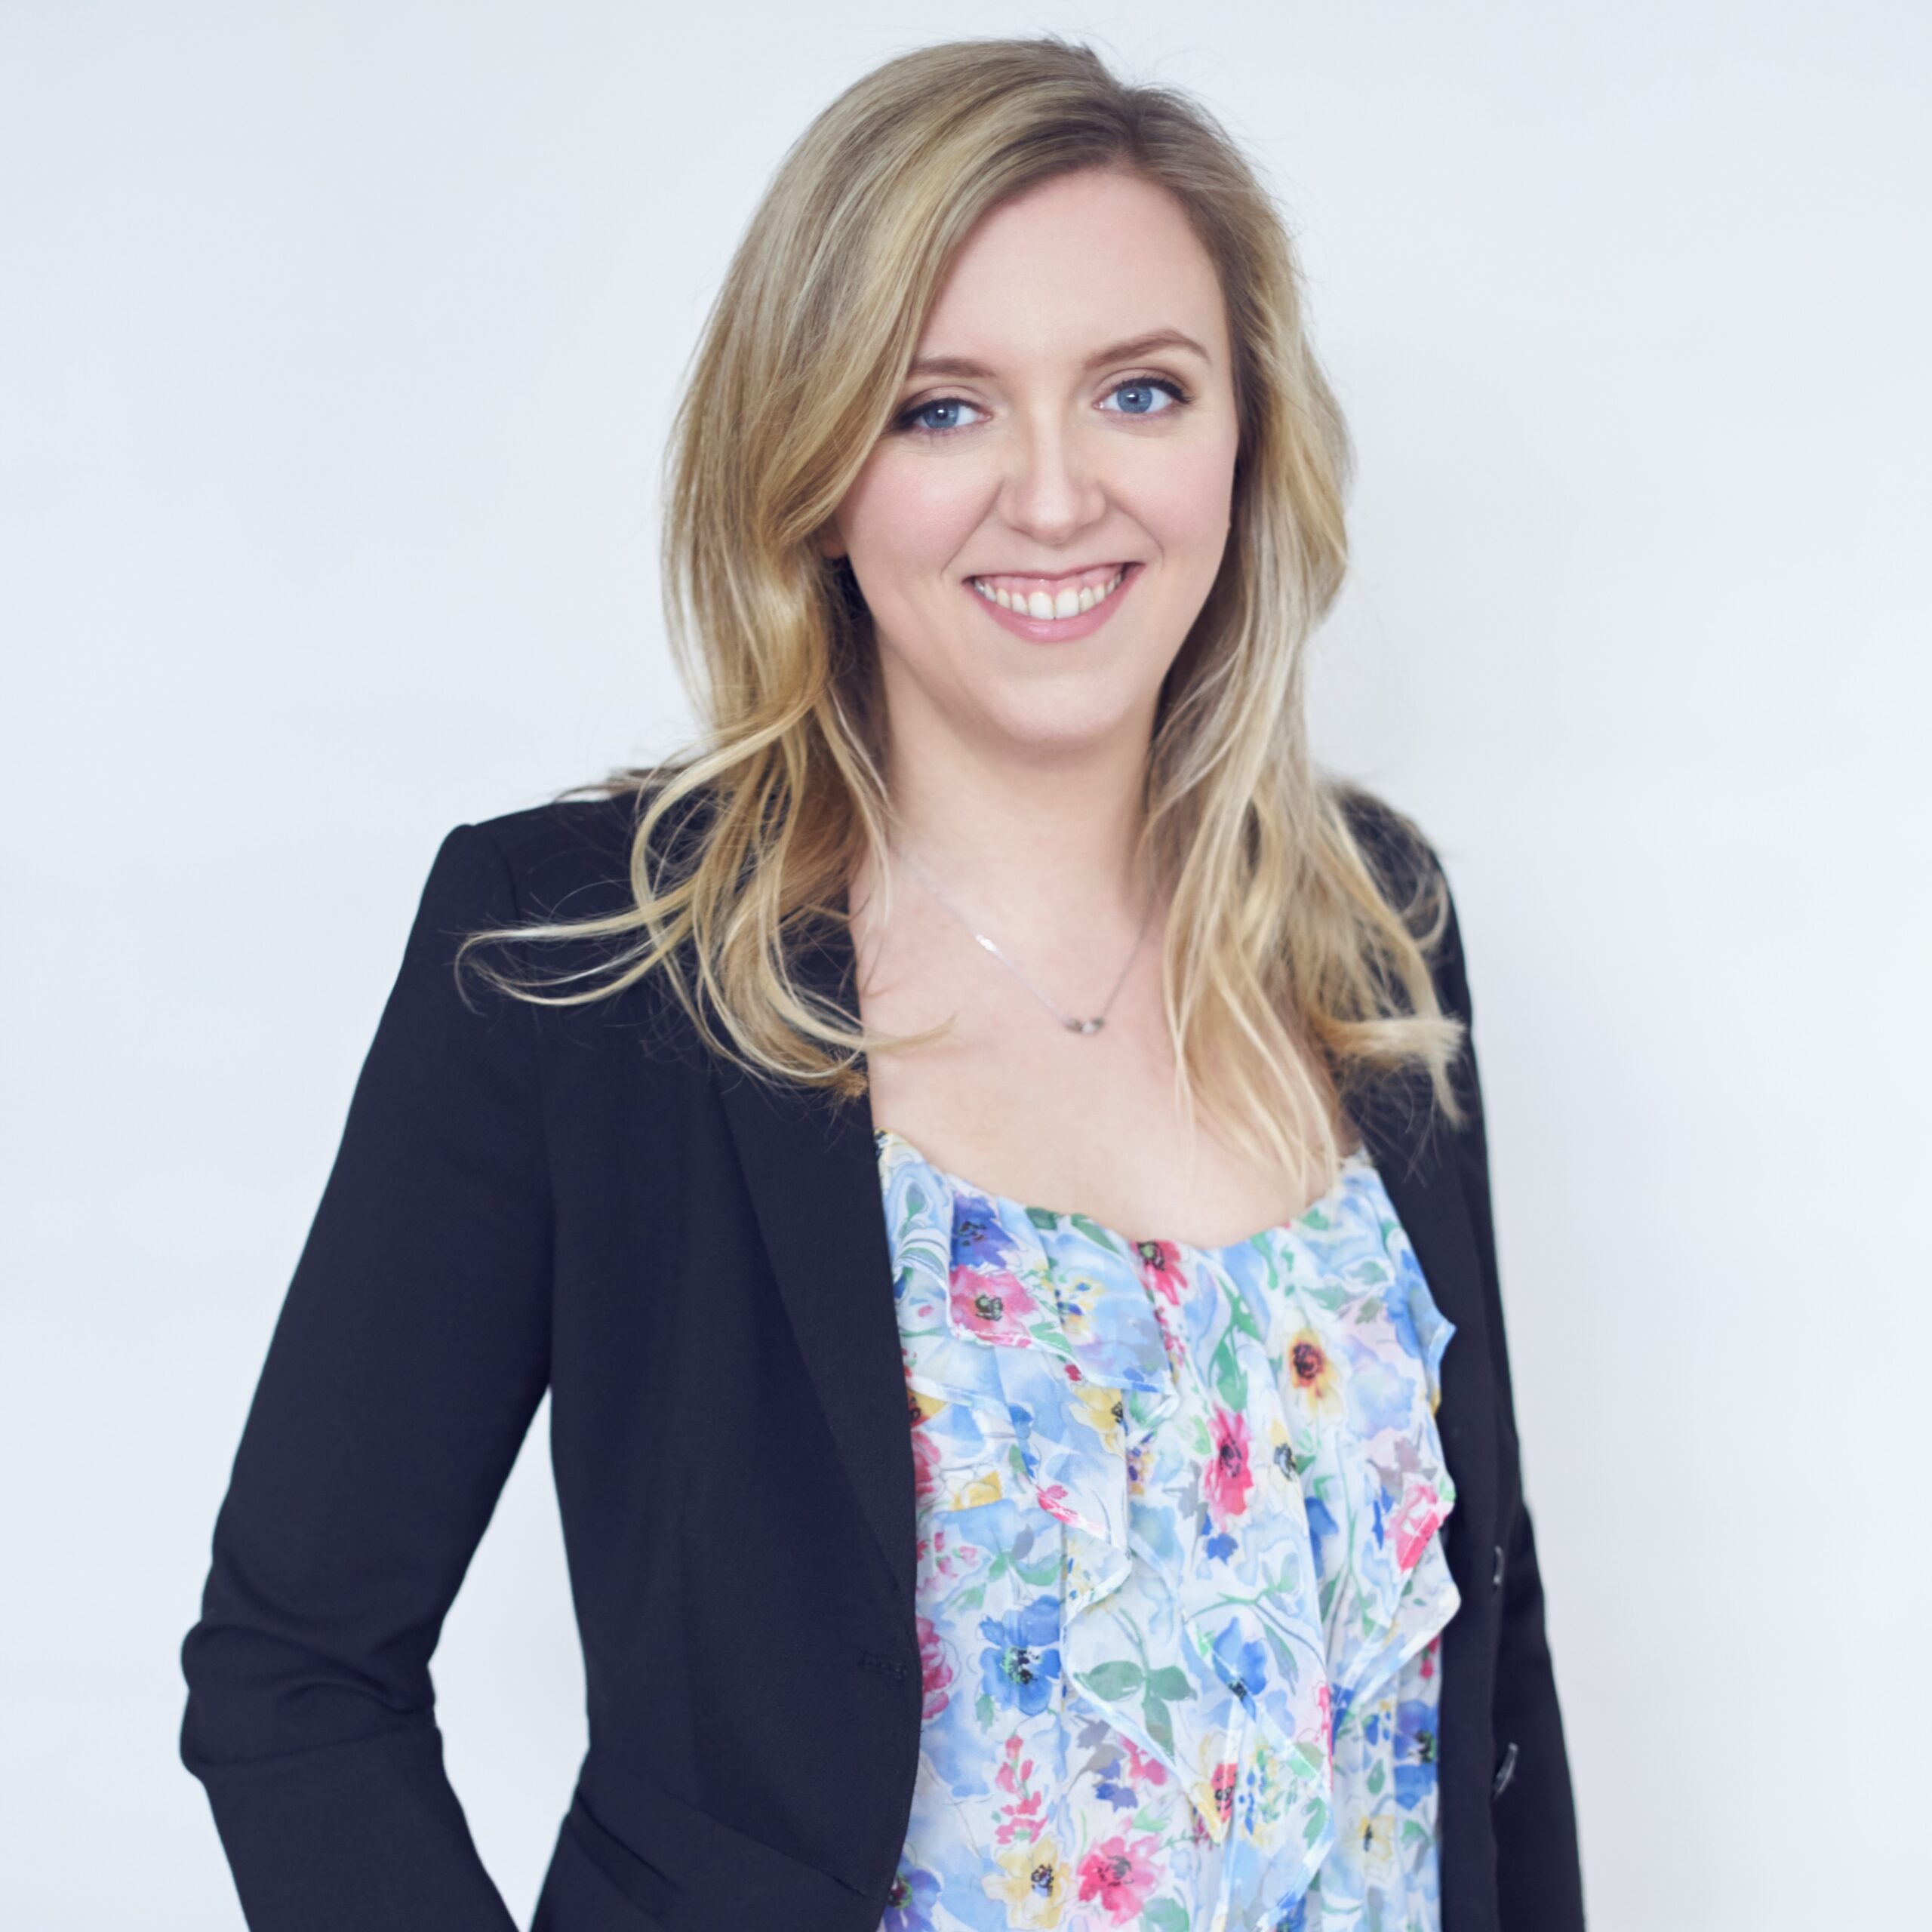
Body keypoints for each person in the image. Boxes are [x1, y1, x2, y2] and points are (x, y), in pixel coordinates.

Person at [179, 34, 1583, 1932]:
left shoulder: (1366, 927)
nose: (1056, 494)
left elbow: (1481, 1667)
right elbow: (296, 1670)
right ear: (813, 461)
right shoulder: (584, 959)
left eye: (1140, 390)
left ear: (1242, 440)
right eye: (941, 409)